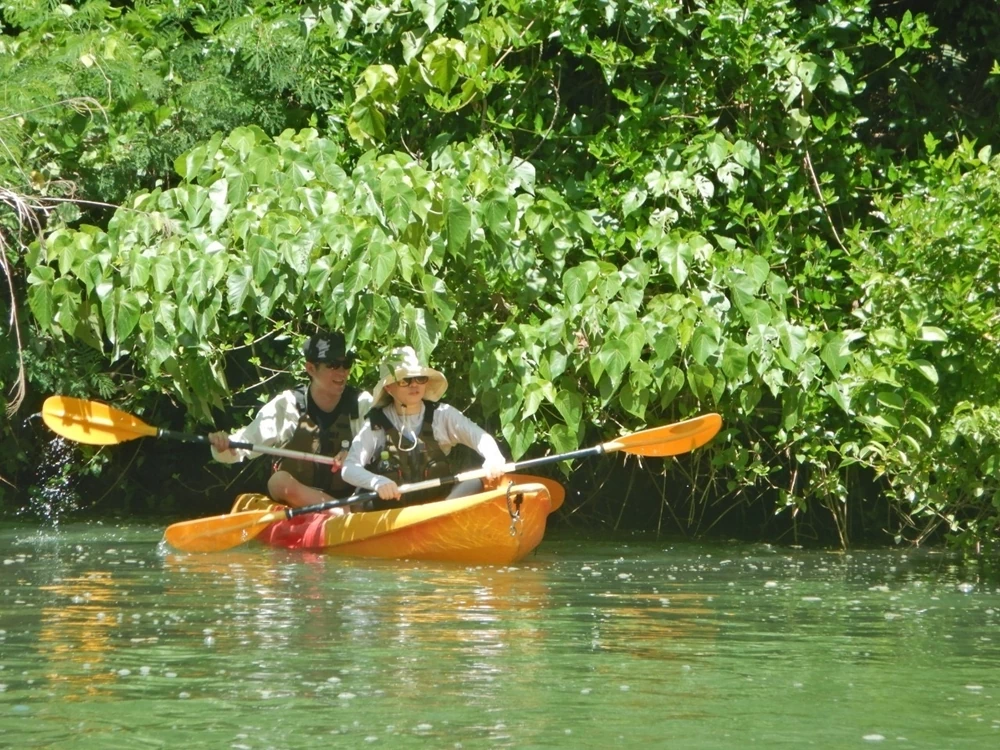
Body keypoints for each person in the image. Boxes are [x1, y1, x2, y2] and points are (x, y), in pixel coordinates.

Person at [208, 330, 372, 511]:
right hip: (298, 501)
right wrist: (223, 445)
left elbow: (377, 448)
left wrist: (356, 455)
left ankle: (343, 511)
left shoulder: (361, 403)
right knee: (278, 482)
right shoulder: (287, 404)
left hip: (348, 497)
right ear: (310, 368)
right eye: (333, 364)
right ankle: (340, 512)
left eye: (346, 363)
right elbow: (244, 444)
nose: (342, 371)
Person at [342, 346, 507, 507]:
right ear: (388, 387)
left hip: (437, 509)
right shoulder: (376, 424)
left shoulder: (442, 414)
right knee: (361, 496)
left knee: (473, 483)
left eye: (420, 378)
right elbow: (349, 468)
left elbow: (480, 437)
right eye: (405, 380)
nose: (414, 385)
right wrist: (377, 482)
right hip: (394, 514)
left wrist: (494, 457)